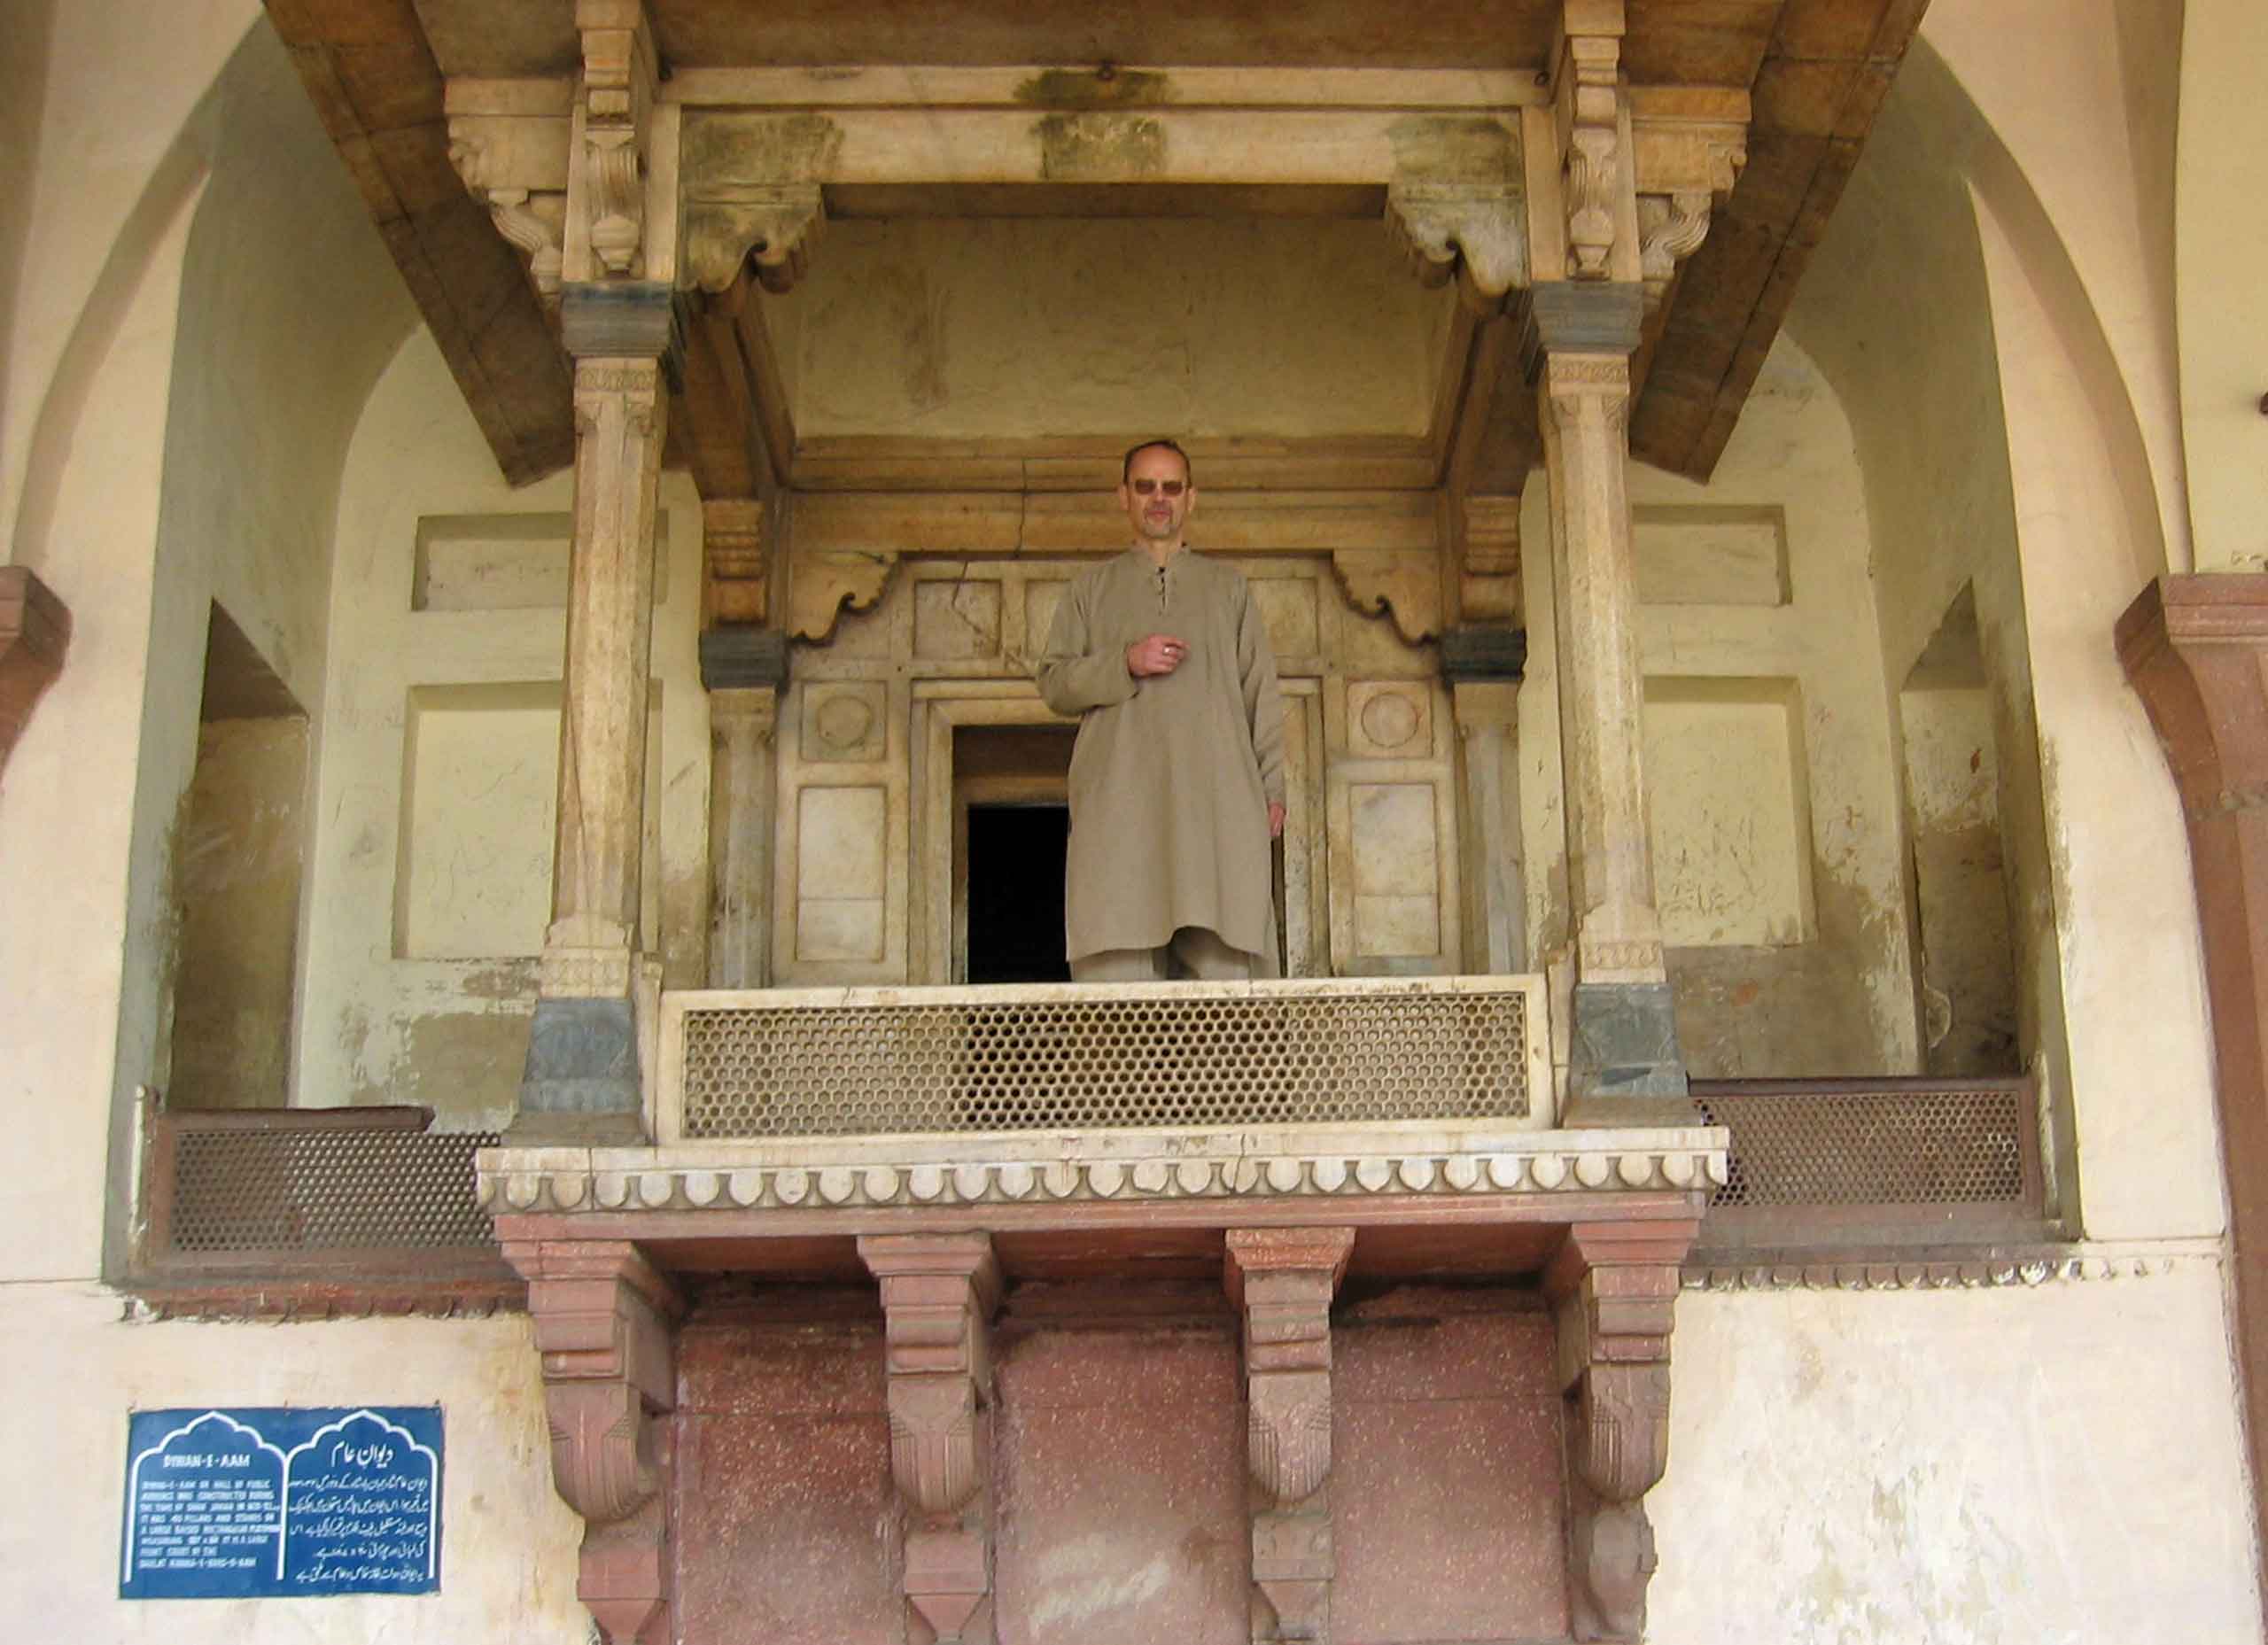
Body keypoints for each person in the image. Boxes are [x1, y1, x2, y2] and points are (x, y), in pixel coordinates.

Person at [1035, 438, 1286, 981]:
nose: (1158, 499)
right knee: (1116, 979)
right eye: (1145, 486)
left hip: (1216, 805)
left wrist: (1272, 790)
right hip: (1121, 805)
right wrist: (1123, 662)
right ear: (1122, 497)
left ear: (1191, 499)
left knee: (1222, 981)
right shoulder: (1090, 590)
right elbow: (1054, 682)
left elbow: (1259, 692)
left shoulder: (1228, 589)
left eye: (1171, 487)